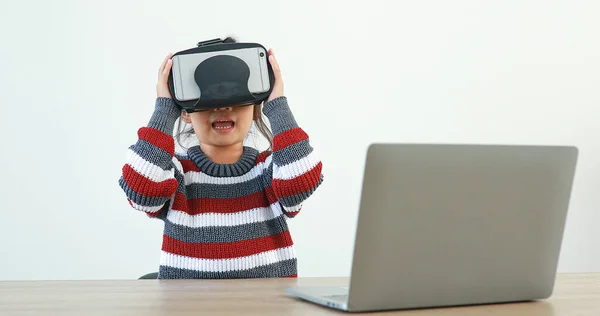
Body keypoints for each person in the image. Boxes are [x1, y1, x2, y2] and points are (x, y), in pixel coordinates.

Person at [118, 38, 324, 279]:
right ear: (185, 113)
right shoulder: (176, 175)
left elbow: (302, 181)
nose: (223, 108)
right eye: (208, 102)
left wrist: (277, 106)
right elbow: (140, 190)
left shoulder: (271, 171)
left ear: (255, 107)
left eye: (235, 99)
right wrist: (164, 109)